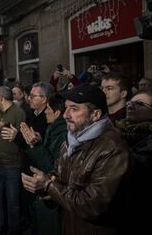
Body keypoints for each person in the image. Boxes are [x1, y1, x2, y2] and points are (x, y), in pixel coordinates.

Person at [21, 84, 129, 235]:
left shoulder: (111, 148)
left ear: (95, 115)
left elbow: (93, 205)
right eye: (66, 108)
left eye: (74, 109)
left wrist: (48, 186)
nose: (65, 115)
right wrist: (42, 189)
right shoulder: (70, 141)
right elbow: (57, 179)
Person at [19, 93, 67, 235]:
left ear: (57, 112)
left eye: (49, 109)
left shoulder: (62, 133)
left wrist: (35, 147)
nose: (45, 111)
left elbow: (52, 166)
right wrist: (40, 143)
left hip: (53, 196)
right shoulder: (54, 129)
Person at [0, 86, 26, 235]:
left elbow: (24, 138)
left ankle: (13, 229)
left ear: (0, 98)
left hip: (12, 165)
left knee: (12, 201)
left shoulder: (19, 113)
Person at [117, 90, 152, 234]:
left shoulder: (149, 140)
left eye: (139, 104)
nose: (130, 106)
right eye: (130, 103)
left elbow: (136, 168)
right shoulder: (120, 132)